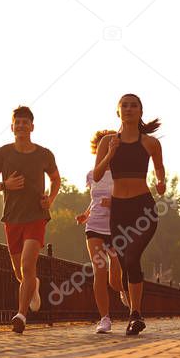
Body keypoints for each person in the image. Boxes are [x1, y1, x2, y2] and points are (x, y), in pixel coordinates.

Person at [92, 94, 166, 336]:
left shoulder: (150, 143)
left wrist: (161, 182)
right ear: (118, 111)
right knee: (125, 264)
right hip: (119, 211)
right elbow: (97, 174)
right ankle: (134, 313)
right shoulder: (107, 142)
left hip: (143, 208)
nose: (129, 109)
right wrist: (110, 154)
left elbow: (159, 169)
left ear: (140, 111)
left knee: (132, 257)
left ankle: (135, 315)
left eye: (133, 105)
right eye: (124, 105)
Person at [0, 105, 61, 334]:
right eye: (17, 122)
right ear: (12, 127)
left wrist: (51, 199)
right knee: (21, 273)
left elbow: (56, 179)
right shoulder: (2, 153)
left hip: (36, 216)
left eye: (25, 122)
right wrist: (4, 185)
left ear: (32, 127)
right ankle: (33, 285)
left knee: (28, 265)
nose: (21, 126)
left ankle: (21, 315)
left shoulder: (44, 154)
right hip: (12, 218)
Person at [76, 129, 129, 334]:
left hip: (116, 228)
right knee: (99, 270)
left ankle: (124, 291)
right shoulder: (92, 174)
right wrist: (86, 214)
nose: (106, 149)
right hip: (95, 226)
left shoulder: (121, 172)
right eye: (102, 147)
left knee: (114, 278)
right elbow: (94, 198)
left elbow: (130, 197)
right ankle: (105, 319)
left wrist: (114, 202)